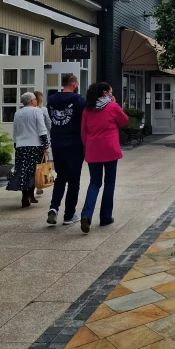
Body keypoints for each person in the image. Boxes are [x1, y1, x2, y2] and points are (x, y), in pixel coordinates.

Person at [79, 82, 129, 233]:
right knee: (109, 183)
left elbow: (84, 131)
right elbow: (124, 120)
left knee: (94, 183)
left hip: (93, 150)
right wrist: (116, 104)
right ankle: (105, 217)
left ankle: (86, 214)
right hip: (109, 149)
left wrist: (88, 146)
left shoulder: (88, 109)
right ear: (106, 93)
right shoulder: (112, 107)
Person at [46, 74, 86, 226]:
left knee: (61, 177)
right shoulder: (78, 100)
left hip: (57, 143)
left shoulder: (52, 100)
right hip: (74, 143)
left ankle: (53, 207)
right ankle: (69, 214)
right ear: (74, 84)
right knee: (74, 180)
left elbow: (52, 117)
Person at [7, 92, 49, 208]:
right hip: (35, 145)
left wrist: (16, 144)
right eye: (35, 99)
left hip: (21, 146)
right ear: (32, 101)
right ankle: (31, 193)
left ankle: (25, 196)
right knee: (34, 171)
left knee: (22, 171)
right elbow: (42, 129)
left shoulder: (18, 113)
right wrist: (46, 145)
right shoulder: (37, 111)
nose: (36, 101)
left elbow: (15, 131)